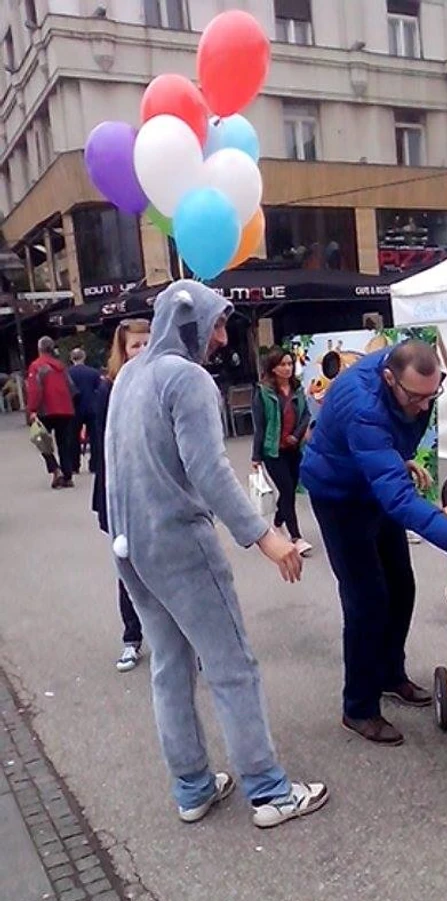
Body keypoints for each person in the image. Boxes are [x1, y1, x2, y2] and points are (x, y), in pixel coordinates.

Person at [105, 280, 329, 827]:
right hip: (179, 546)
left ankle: (192, 788)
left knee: (170, 668)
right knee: (232, 666)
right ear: (188, 323)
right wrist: (265, 535)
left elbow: (114, 463)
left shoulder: (129, 375)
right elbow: (208, 471)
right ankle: (270, 791)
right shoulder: (187, 379)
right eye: (217, 323)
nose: (223, 336)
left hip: (131, 544)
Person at [301, 338, 447, 746]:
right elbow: (397, 497)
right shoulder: (363, 408)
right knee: (366, 600)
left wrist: (396, 456)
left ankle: (388, 674)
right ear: (387, 378)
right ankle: (358, 708)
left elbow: (395, 438)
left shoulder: (415, 377)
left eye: (432, 395)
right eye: (415, 397)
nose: (423, 405)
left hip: (373, 478)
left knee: (401, 584)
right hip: (339, 496)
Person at [92, 320, 149, 673]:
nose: (141, 352)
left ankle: (189, 640)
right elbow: (102, 451)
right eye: (134, 346)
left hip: (157, 492)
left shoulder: (163, 382)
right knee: (128, 567)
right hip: (122, 494)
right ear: (122, 351)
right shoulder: (108, 390)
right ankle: (132, 638)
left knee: (172, 568)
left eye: (147, 344)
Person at [251, 348, 312, 557]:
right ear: (273, 367)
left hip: (294, 449)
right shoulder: (263, 392)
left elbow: (305, 415)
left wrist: (296, 435)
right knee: (286, 490)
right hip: (273, 451)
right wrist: (256, 456)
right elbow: (259, 425)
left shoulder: (297, 388)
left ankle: (277, 523)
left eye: (289, 364)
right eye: (282, 364)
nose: (287, 368)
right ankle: (296, 537)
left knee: (291, 489)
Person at [25, 336, 76, 489]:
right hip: (65, 409)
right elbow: (71, 387)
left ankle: (55, 469)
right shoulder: (61, 366)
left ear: (39, 349)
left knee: (42, 441)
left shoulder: (37, 366)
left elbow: (35, 390)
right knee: (64, 444)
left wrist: (32, 410)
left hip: (46, 409)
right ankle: (68, 475)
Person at [68, 347, 101, 474]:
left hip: (74, 408)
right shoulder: (93, 372)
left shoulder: (68, 373)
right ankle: (95, 464)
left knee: (73, 438)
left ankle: (74, 465)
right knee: (95, 437)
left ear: (71, 359)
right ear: (84, 357)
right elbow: (99, 389)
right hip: (91, 407)